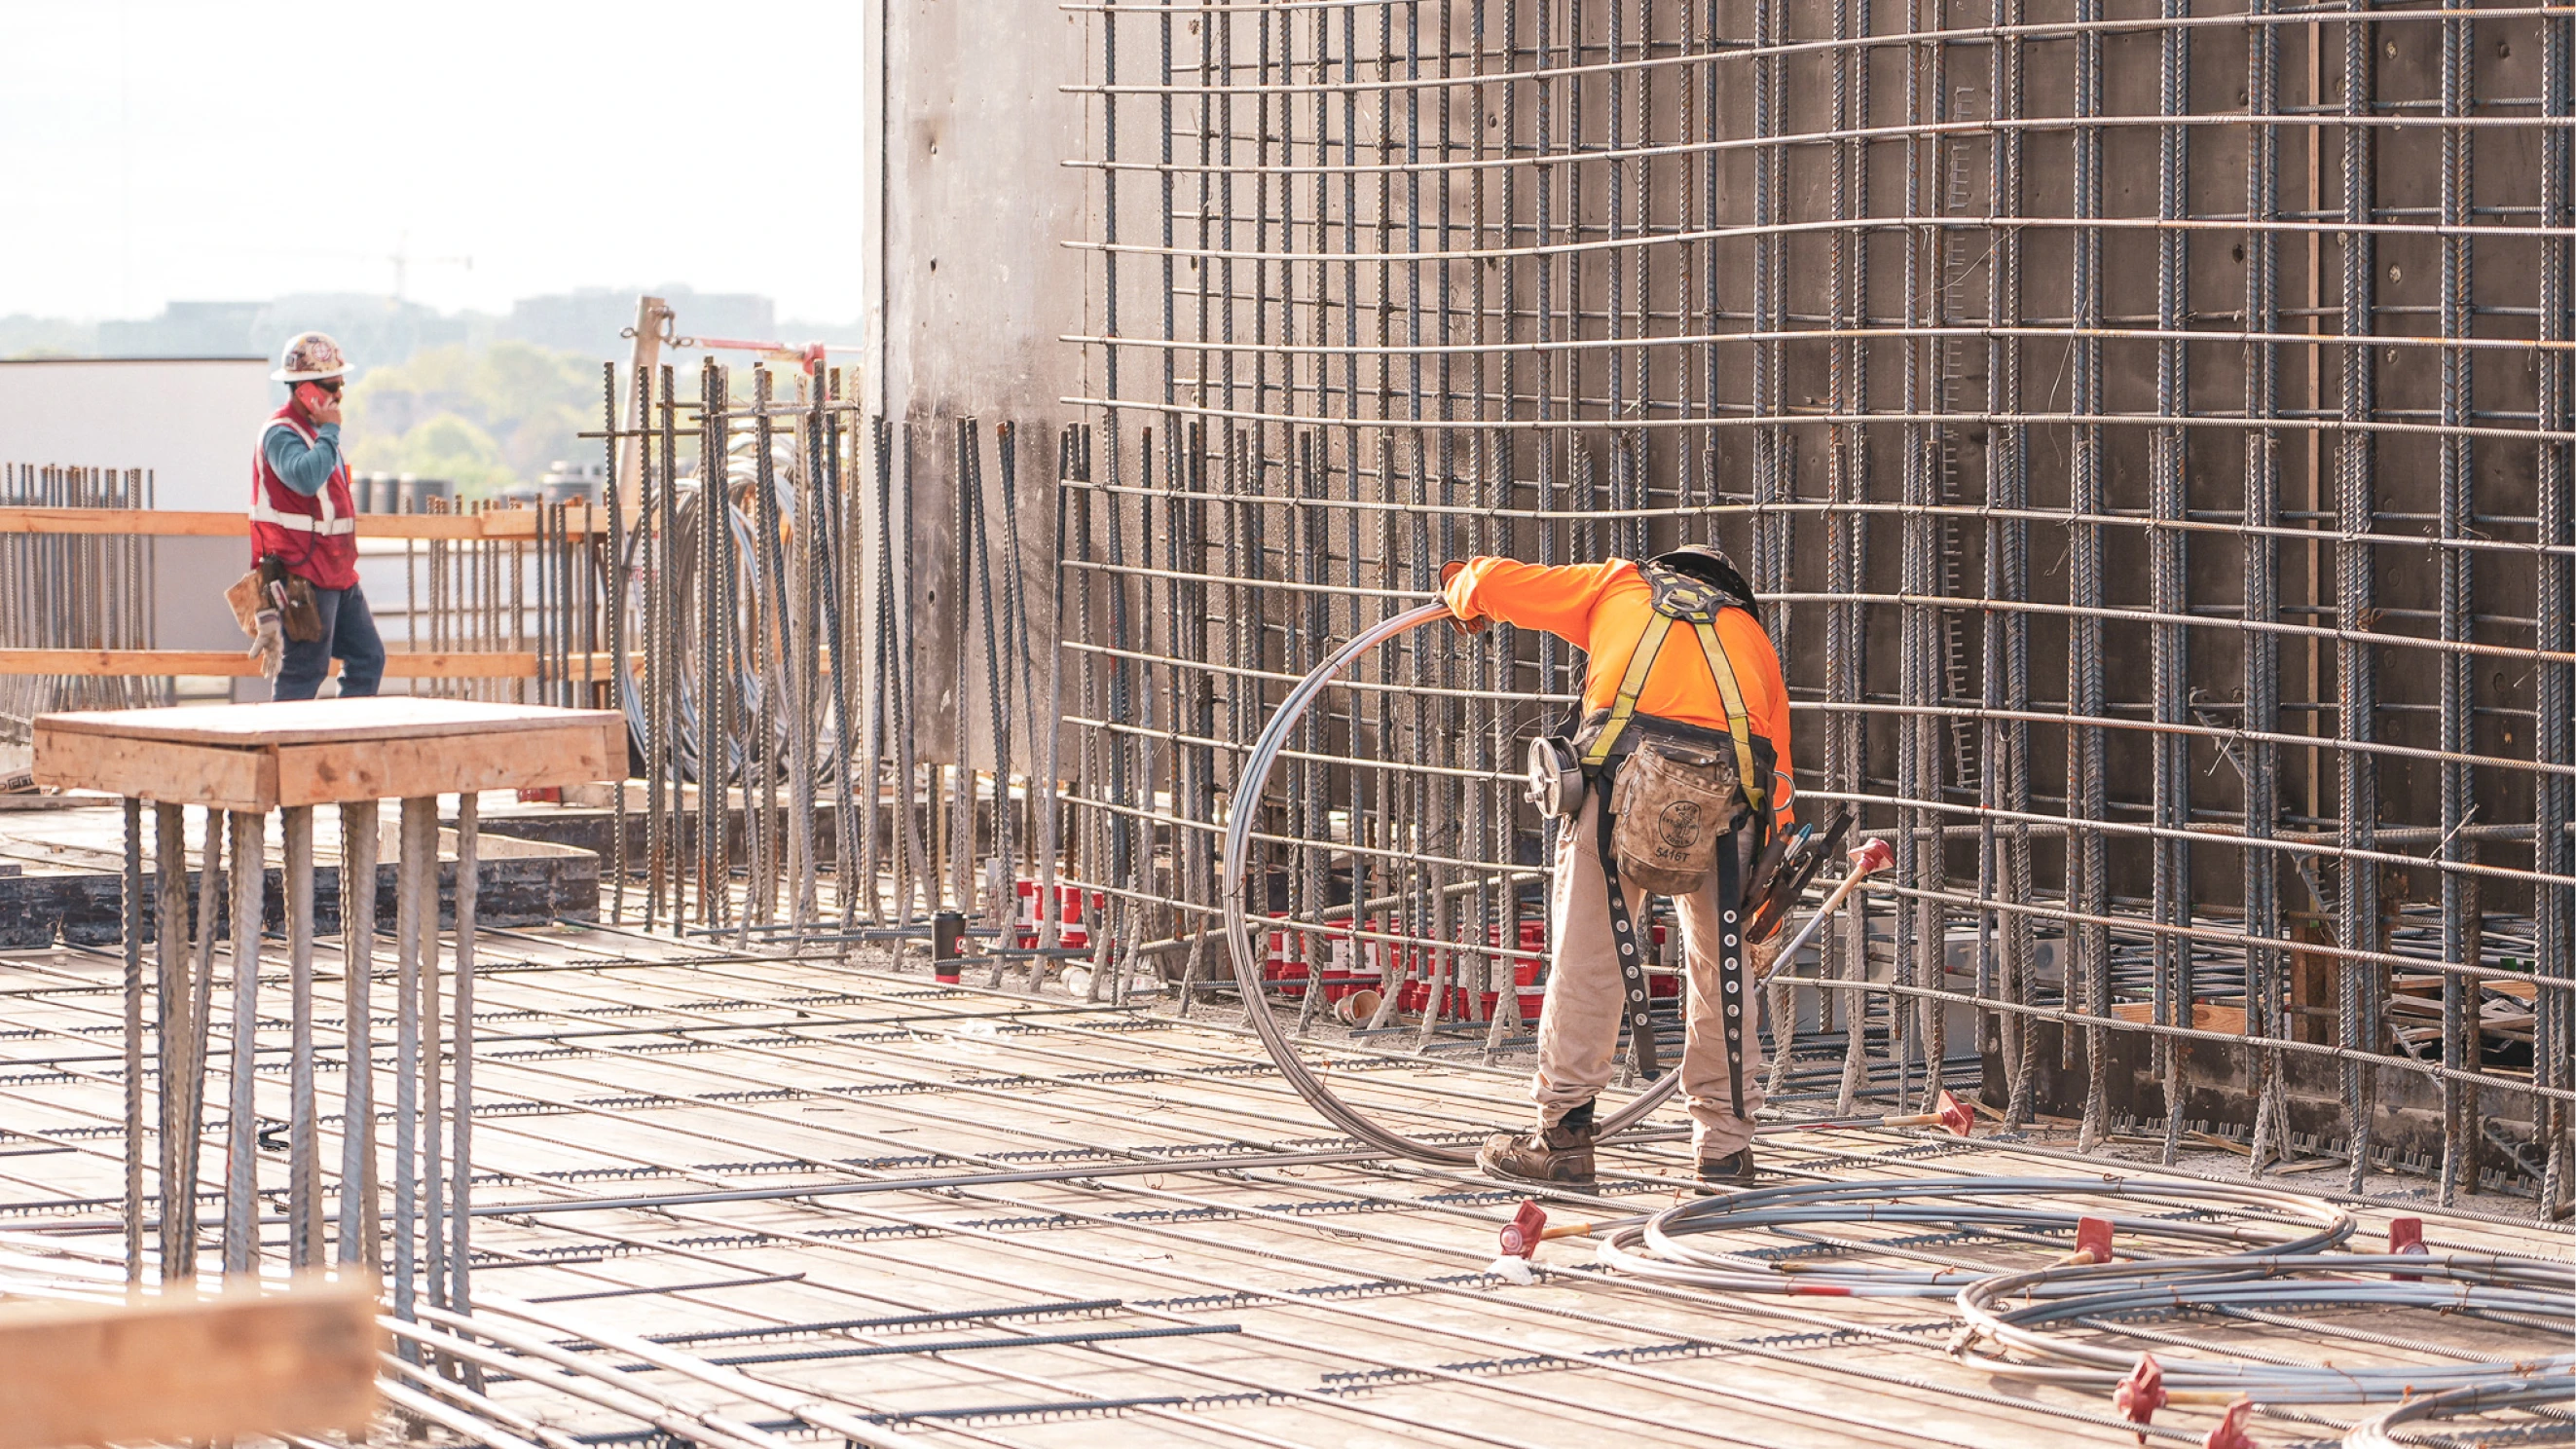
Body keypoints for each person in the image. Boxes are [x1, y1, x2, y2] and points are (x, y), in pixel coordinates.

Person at [1440, 546, 1795, 1191]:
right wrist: (1761, 901)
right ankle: (1725, 1153)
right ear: (1732, 589)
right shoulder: (1754, 640)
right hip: (1732, 801)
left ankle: (1563, 1141)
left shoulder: (1618, 585)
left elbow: (1494, 583)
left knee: (1589, 959)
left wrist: (1461, 592)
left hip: (1617, 782)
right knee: (1725, 972)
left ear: (1667, 569)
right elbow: (1783, 792)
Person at [252, 332, 383, 701]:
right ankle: (286, 748)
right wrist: (331, 432)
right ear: (306, 391)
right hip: (304, 572)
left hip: (336, 570)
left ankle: (344, 744)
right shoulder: (282, 434)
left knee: (367, 658)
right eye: (332, 385)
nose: (339, 394)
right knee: (305, 669)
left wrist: (327, 434)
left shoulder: (316, 434)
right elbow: (306, 478)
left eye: (341, 384)